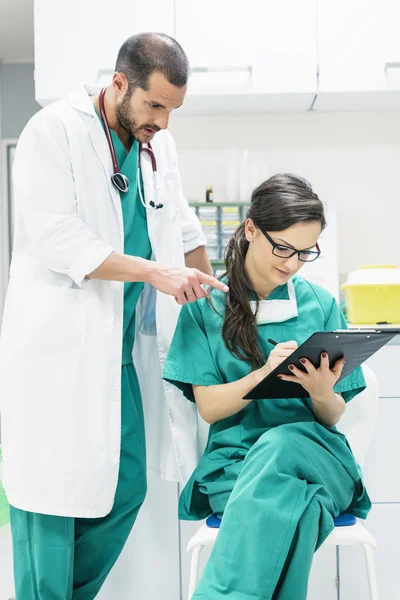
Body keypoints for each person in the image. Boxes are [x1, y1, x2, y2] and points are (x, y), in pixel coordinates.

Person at [0, 33, 228, 600]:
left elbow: (181, 228)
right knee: (50, 502)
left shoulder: (159, 147)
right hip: (58, 350)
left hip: (119, 352)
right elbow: (56, 238)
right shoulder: (53, 131)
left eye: (173, 110)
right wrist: (155, 273)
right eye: (155, 106)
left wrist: (227, 304)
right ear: (119, 83)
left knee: (126, 486)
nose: (163, 123)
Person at [163, 174, 371, 599]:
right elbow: (209, 409)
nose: (292, 263)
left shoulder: (322, 304)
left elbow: (334, 415)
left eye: (304, 253)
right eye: (283, 248)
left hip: (317, 458)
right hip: (235, 468)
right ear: (252, 229)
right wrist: (262, 376)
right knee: (302, 508)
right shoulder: (204, 309)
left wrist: (319, 391)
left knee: (280, 443)